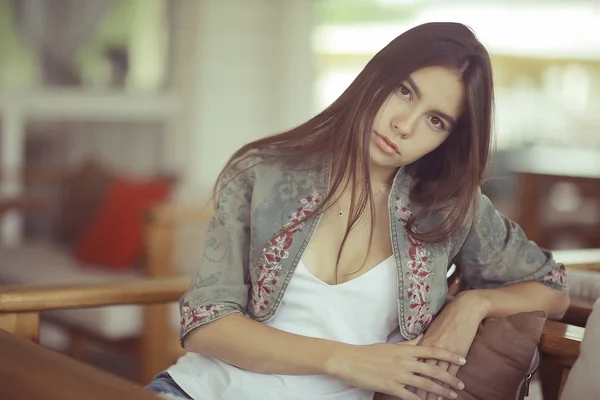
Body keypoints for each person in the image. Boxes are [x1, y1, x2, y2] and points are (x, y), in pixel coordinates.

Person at [147, 22, 570, 400]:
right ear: (377, 77)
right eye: (405, 91)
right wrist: (346, 360)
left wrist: (471, 305)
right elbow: (206, 325)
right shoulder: (262, 174)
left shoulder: (451, 210)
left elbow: (552, 287)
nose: (405, 124)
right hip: (200, 390)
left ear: (449, 139)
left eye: (435, 121)